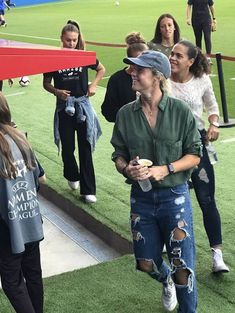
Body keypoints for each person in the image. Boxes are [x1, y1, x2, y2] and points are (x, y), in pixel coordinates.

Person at [111, 50, 201, 312]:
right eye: (132, 69)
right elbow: (118, 154)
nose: (132, 73)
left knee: (182, 267)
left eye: (139, 70)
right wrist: (127, 168)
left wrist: (166, 169)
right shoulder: (125, 114)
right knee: (145, 262)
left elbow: (195, 154)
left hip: (175, 197)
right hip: (142, 198)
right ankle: (166, 281)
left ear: (157, 77)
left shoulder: (180, 111)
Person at [169, 40, 229, 273]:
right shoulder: (162, 80)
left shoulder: (202, 80)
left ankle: (217, 255)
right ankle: (176, 252)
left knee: (206, 199)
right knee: (173, 199)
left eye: (178, 56)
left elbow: (212, 108)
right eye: (172, 54)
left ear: (191, 61)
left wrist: (214, 124)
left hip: (196, 144)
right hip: (170, 146)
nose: (172, 58)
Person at [43, 20, 105, 204]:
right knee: (68, 148)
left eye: (74, 40)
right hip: (64, 109)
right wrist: (57, 92)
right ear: (61, 38)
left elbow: (101, 69)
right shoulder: (53, 58)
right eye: (68, 40)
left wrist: (93, 85)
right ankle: (71, 173)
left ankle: (88, 190)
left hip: (83, 107)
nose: (71, 44)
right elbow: (45, 83)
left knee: (85, 147)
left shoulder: (84, 55)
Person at [0, 92, 44, 313]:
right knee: (33, 273)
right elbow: (39, 179)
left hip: (8, 227)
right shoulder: (19, 137)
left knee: (12, 281)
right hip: (30, 218)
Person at [101, 32, 148, 122]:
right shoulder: (117, 79)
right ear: (129, 60)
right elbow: (108, 111)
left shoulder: (153, 78)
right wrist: (130, 117)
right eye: (136, 61)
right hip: (125, 132)